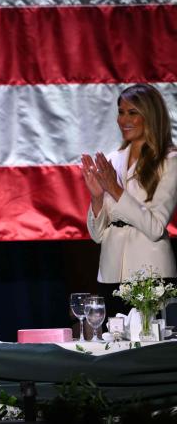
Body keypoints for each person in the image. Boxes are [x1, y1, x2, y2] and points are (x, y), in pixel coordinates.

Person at [81, 84, 177, 316]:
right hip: (110, 273)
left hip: (150, 275)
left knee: (149, 348)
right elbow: (98, 236)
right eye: (121, 112)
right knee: (114, 347)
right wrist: (96, 199)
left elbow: (155, 228)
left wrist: (115, 189)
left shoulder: (169, 161)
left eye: (132, 112)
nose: (124, 119)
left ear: (150, 116)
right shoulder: (112, 160)